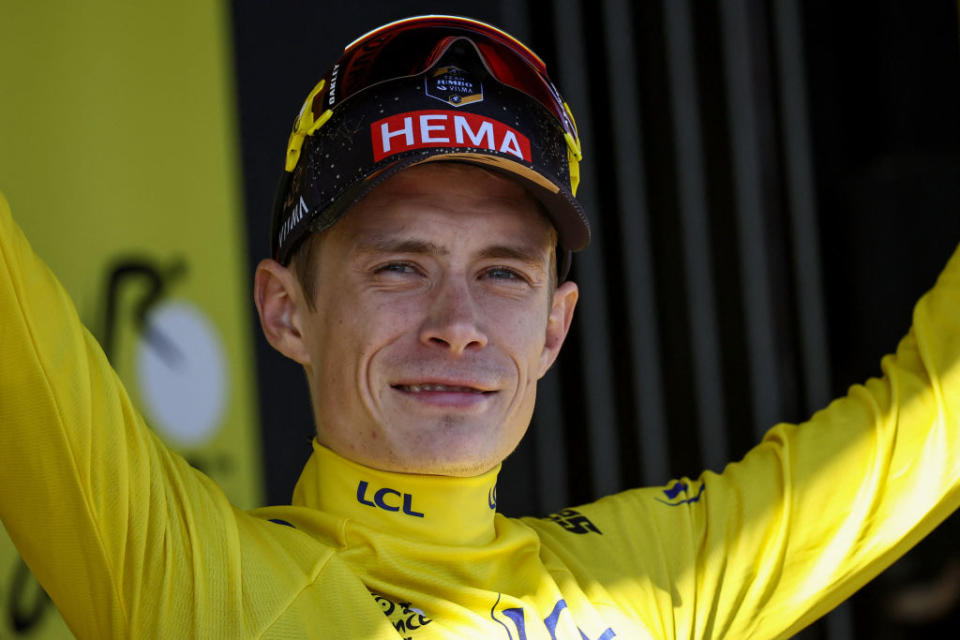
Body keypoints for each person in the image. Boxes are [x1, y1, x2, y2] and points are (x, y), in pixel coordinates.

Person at [1, 14, 959, 639]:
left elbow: (936, 415)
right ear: (286, 310)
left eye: (502, 273)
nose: (458, 325)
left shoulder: (653, 581)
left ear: (554, 327)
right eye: (400, 266)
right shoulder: (196, 591)